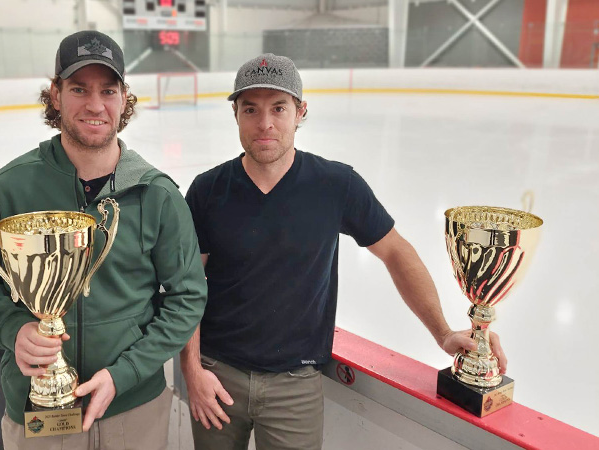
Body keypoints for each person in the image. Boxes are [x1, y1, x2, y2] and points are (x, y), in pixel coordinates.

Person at [180, 53, 507, 450]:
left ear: (300, 112)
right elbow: (188, 286)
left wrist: (442, 332)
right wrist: (192, 370)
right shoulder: (207, 190)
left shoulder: (335, 185)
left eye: (278, 108)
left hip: (295, 387)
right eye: (251, 109)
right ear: (235, 113)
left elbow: (396, 253)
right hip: (217, 376)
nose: (265, 123)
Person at [0, 30, 207, 450]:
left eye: (108, 90)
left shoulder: (157, 195)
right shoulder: (8, 190)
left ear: (124, 97)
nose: (95, 105)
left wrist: (124, 373)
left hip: (132, 406)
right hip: (38, 406)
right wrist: (14, 329)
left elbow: (188, 297)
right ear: (55, 95)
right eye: (78, 89)